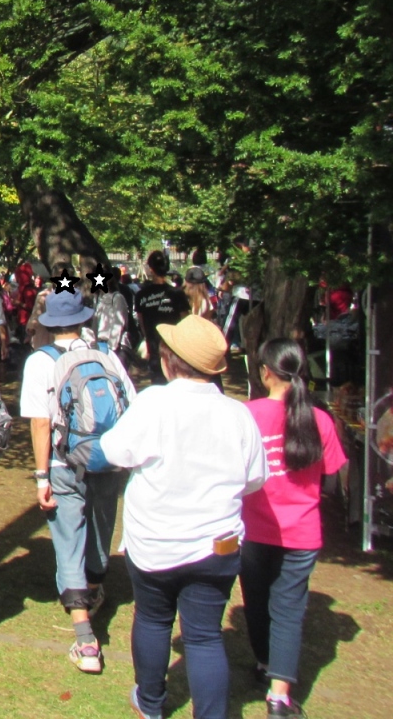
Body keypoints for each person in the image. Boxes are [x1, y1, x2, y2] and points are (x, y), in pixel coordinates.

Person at [97, 316, 268, 719]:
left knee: (153, 619)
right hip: (216, 543)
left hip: (156, 541)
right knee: (205, 636)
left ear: (168, 360)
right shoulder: (237, 414)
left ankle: (151, 702)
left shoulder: (154, 402)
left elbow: (115, 450)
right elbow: (255, 477)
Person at [20, 291, 135, 674]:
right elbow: (129, 405)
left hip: (63, 461)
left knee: (68, 538)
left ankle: (85, 638)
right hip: (107, 457)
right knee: (101, 531)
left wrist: (41, 477)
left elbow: (40, 423)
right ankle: (95, 588)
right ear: (83, 319)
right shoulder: (106, 354)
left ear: (49, 324)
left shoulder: (40, 361)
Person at [240, 339, 347, 718]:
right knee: (288, 610)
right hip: (302, 533)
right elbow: (333, 475)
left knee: (256, 601)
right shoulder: (321, 419)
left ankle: (265, 664)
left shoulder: (247, 415)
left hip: (253, 530)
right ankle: (279, 697)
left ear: (266, 372)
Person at [134, 251, 191, 385]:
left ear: (151, 269)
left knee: (158, 383)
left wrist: (147, 338)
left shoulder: (141, 295)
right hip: (174, 347)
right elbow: (185, 320)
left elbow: (141, 322)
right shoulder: (177, 293)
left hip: (155, 346)